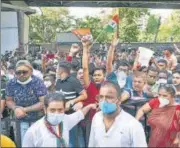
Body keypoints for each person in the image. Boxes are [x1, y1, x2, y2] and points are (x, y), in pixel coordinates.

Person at [22, 93, 96, 147]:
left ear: (64, 109)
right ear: (45, 109)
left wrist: (89, 106)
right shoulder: (33, 131)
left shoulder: (65, 120)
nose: (56, 113)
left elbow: (79, 115)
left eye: (60, 110)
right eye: (52, 110)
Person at [88, 81, 147, 147]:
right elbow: (92, 143)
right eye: (101, 97)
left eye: (109, 97)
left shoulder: (133, 125)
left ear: (119, 100)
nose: (104, 101)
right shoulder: (97, 117)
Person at [6, 60, 47, 145]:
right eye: (18, 72)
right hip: (20, 119)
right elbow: (9, 100)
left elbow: (43, 102)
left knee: (38, 143)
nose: (21, 74)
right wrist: (15, 108)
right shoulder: (11, 83)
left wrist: (24, 109)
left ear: (31, 71)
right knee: (23, 142)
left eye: (24, 72)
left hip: (37, 119)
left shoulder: (38, 82)